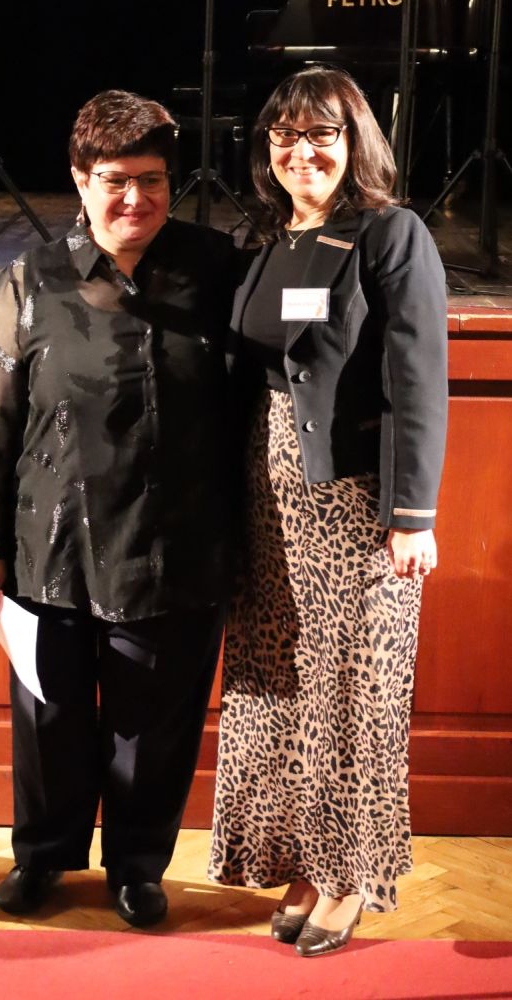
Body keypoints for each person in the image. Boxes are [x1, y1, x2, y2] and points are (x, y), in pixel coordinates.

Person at [0, 90, 240, 927]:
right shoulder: (32, 278)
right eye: (115, 180)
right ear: (80, 180)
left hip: (176, 540)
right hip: (50, 542)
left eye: (151, 180)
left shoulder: (217, 269)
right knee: (47, 716)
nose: (135, 199)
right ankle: (42, 856)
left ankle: (136, 867)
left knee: (152, 727)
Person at [208, 66, 448, 957]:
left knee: (351, 690)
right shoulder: (265, 238)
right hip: (267, 494)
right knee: (278, 682)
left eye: (320, 134)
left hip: (351, 501)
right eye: (283, 135)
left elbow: (417, 378)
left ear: (354, 142)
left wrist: (411, 513)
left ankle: (348, 876)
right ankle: (300, 861)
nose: (299, 151)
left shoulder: (388, 233)